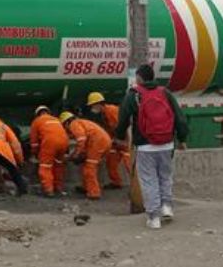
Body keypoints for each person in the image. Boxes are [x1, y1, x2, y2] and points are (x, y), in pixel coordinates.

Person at [114, 64, 188, 230]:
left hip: (145, 146)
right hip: (167, 144)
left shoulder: (133, 95)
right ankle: (167, 207)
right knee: (165, 176)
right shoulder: (165, 92)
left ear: (139, 78)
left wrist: (119, 137)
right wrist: (182, 138)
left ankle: (154, 217)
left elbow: (123, 119)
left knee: (149, 180)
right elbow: (179, 117)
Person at [59, 111, 112, 200]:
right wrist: (78, 154)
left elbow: (81, 139)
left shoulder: (74, 124)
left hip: (97, 143)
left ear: (67, 122)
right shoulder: (81, 122)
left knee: (89, 168)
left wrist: (76, 154)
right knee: (86, 166)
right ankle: (86, 187)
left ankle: (94, 193)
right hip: (101, 142)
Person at [87, 92, 132, 189]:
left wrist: (122, 140)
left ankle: (138, 184)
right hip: (114, 140)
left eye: (92, 105)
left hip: (122, 139)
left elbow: (122, 125)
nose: (92, 108)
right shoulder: (103, 114)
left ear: (98, 104)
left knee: (129, 162)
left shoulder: (112, 110)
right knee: (111, 161)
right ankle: (116, 182)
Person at [29, 105, 70, 197]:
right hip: (64, 143)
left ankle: (48, 190)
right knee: (58, 166)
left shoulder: (37, 121)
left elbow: (34, 141)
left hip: (49, 143)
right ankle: (58, 188)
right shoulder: (56, 119)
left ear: (37, 114)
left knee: (45, 167)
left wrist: (35, 153)